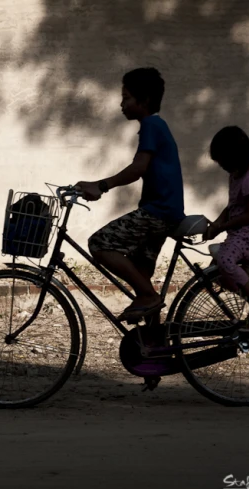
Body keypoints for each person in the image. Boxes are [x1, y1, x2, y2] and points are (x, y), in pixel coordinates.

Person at [75, 67, 185, 324]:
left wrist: (101, 185)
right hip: (164, 212)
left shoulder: (151, 125)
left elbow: (139, 168)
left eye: (126, 98)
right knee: (141, 276)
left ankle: (149, 297)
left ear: (143, 100)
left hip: (157, 212)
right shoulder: (155, 125)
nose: (121, 104)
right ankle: (155, 344)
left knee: (100, 245)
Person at [204, 126, 249, 331]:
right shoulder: (235, 175)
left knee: (225, 260)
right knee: (216, 272)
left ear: (235, 156)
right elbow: (232, 207)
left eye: (223, 161)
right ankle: (247, 281)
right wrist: (216, 225)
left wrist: (222, 226)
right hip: (239, 233)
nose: (222, 166)